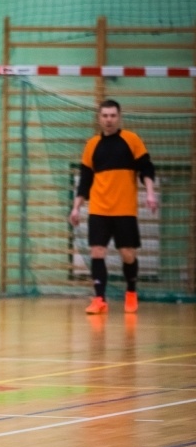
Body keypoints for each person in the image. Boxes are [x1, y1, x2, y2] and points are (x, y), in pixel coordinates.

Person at [69, 99, 157, 315]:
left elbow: (146, 169)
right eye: (105, 116)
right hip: (99, 209)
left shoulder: (131, 140)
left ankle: (131, 292)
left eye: (112, 115)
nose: (109, 120)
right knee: (97, 251)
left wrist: (150, 193)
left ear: (119, 117)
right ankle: (99, 299)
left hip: (124, 209)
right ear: (99, 118)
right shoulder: (91, 145)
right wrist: (76, 207)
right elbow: (85, 180)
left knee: (127, 254)